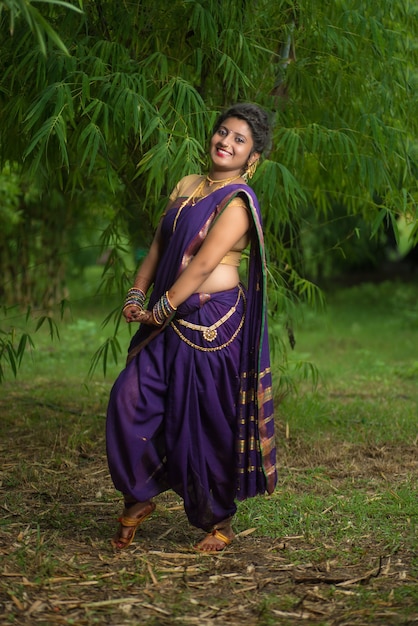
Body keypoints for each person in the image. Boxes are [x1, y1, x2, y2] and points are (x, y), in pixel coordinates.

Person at [106, 103, 277, 552]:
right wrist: (137, 292)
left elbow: (202, 265)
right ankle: (138, 496)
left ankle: (217, 521)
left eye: (239, 140)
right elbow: (159, 247)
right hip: (165, 315)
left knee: (203, 420)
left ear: (252, 156)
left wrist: (161, 310)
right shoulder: (187, 186)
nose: (226, 142)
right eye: (223, 132)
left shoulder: (239, 200)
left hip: (210, 325)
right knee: (129, 398)